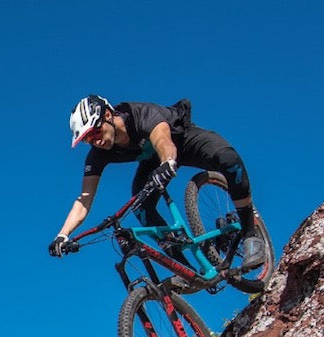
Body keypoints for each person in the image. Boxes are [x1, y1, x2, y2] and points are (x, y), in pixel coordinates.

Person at [48, 95, 264, 269]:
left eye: (95, 131)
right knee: (140, 207)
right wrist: (62, 235)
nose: (95, 141)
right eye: (87, 139)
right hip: (153, 160)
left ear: (107, 115)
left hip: (182, 140)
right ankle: (190, 270)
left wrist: (168, 162)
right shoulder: (99, 153)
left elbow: (162, 139)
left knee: (229, 160)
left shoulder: (138, 114)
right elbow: (84, 199)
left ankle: (250, 234)